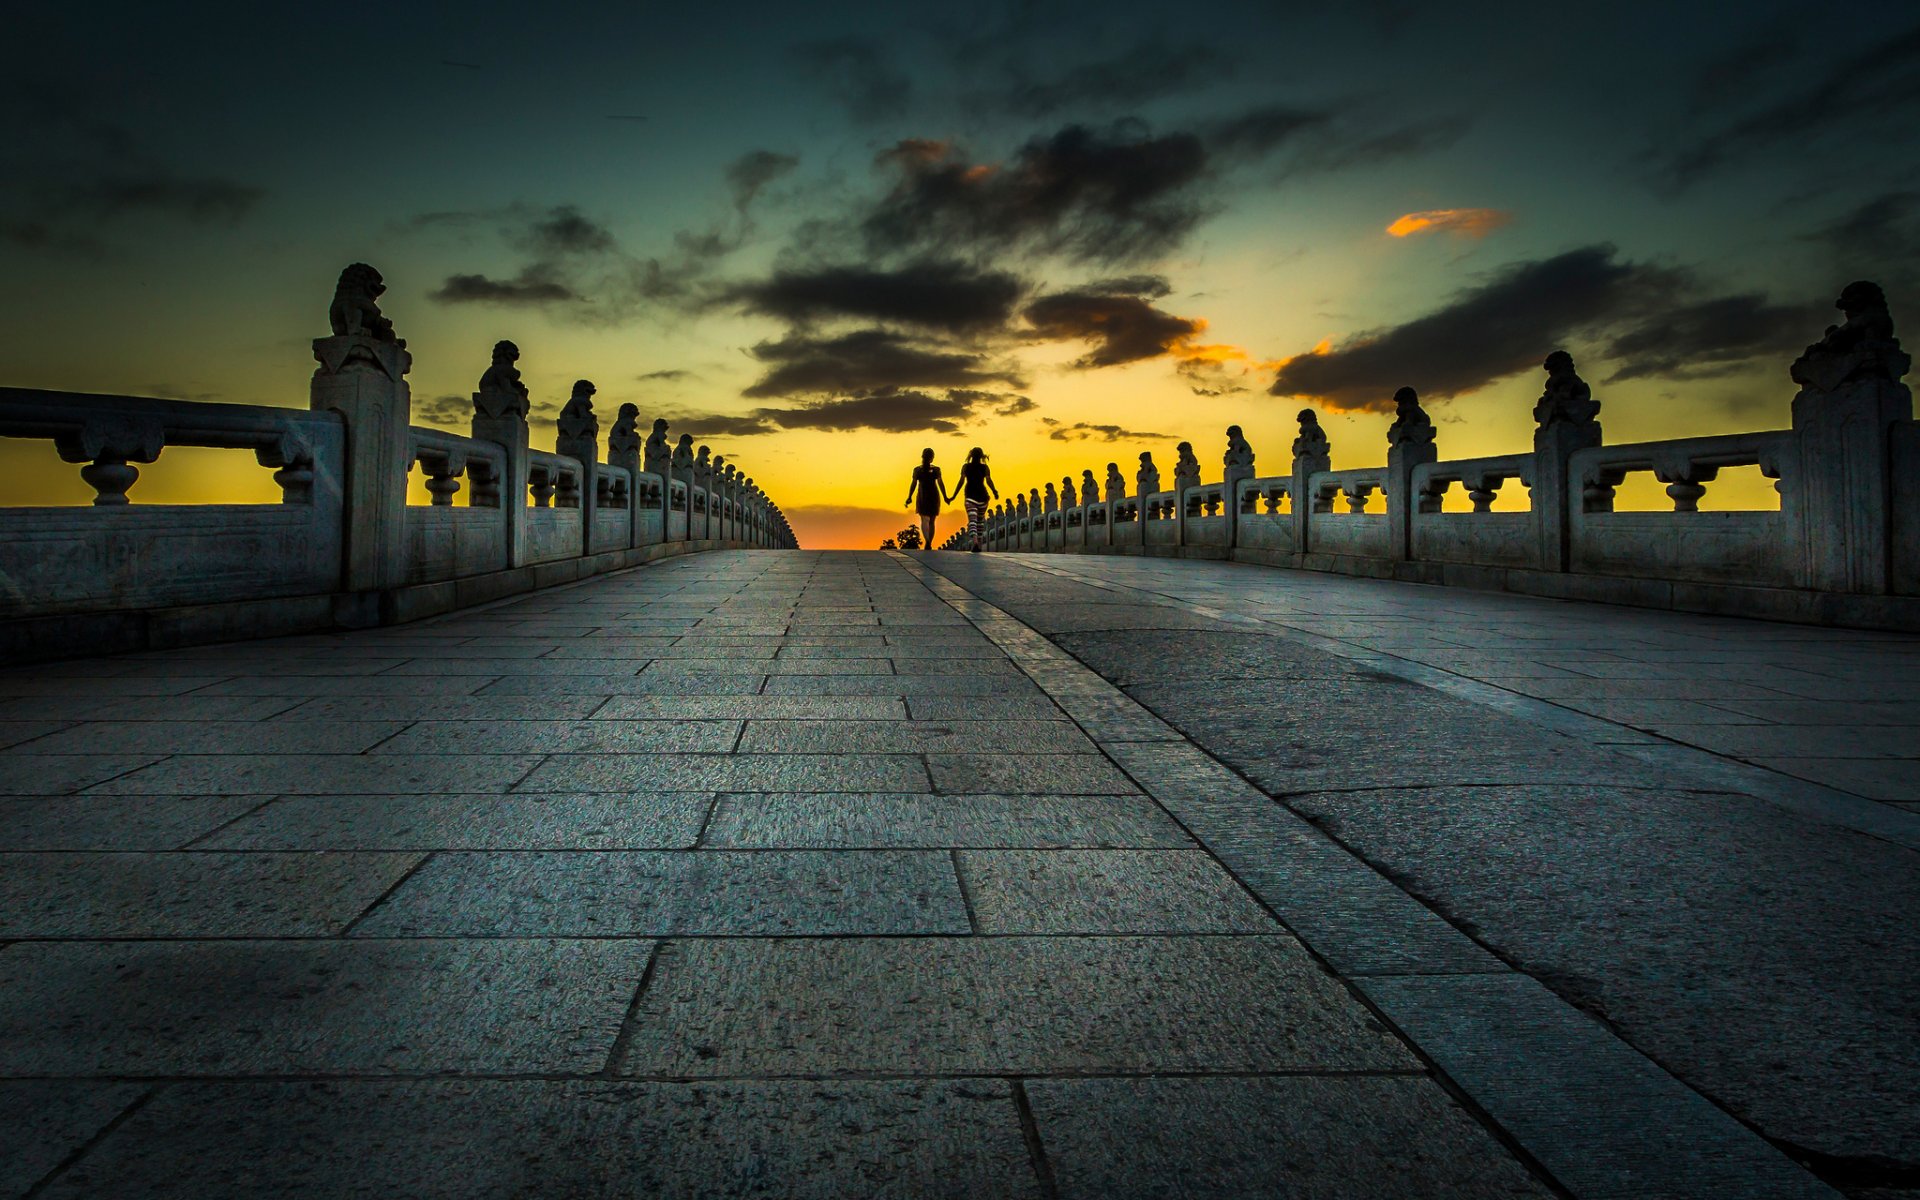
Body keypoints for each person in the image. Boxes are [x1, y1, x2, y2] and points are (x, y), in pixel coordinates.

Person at [953, 447, 998, 552]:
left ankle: (975, 542)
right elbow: (989, 481)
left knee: (972, 520)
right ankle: (980, 543)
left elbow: (961, 482)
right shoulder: (985, 468)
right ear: (981, 456)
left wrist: (954, 495)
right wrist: (994, 491)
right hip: (983, 497)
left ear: (971, 455)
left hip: (970, 497)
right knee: (980, 521)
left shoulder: (966, 467)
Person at [904, 447, 945, 549]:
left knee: (924, 520)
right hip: (934, 495)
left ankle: (927, 540)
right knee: (932, 521)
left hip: (923, 495)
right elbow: (941, 484)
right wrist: (945, 497)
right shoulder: (936, 470)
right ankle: (929, 542)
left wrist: (909, 496)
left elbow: (913, 484)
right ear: (932, 458)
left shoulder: (917, 470)